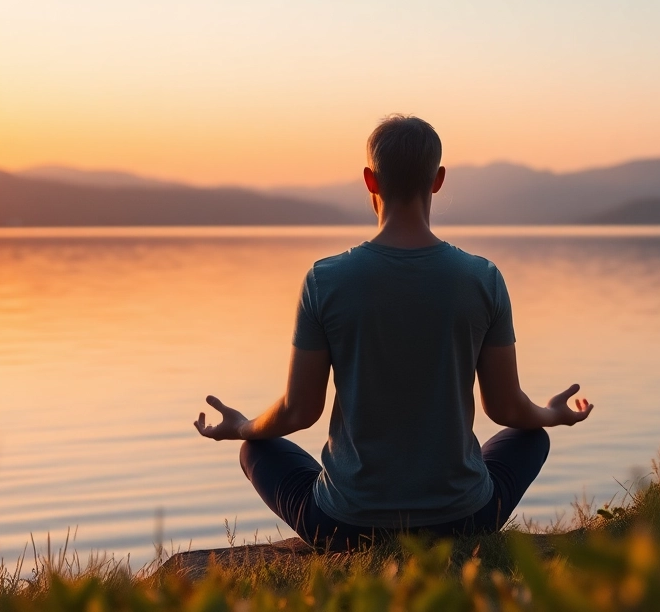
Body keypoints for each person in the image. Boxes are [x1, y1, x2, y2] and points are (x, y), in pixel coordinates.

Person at [193, 115, 593, 551]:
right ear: (437, 180)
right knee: (530, 436)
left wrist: (244, 426)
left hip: (345, 528)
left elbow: (298, 412)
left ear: (370, 180)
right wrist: (553, 414)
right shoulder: (483, 278)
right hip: (464, 520)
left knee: (255, 449)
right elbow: (506, 409)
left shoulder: (325, 280)